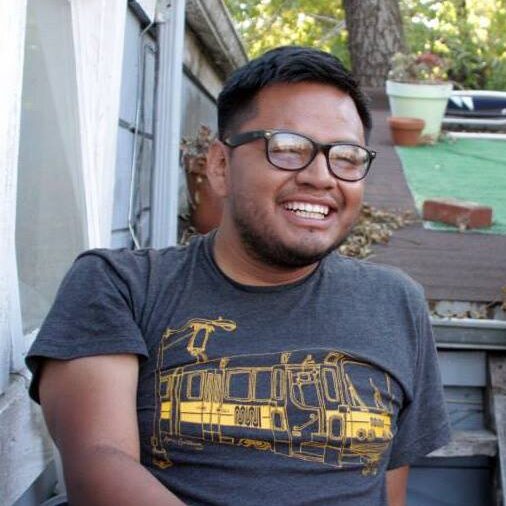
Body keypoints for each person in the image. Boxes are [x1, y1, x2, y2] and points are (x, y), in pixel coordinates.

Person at [26, 46, 450, 506]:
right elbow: (98, 464)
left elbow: (388, 486)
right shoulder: (121, 286)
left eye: (346, 157)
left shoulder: (397, 303)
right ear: (220, 167)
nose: (321, 176)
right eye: (287, 148)